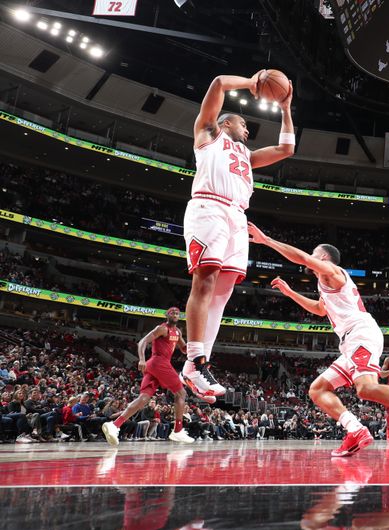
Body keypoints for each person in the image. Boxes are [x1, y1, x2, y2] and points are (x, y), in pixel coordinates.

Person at [248, 223, 389, 456]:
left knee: (366, 388)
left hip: (360, 333)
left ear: (323, 257)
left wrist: (267, 240)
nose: (311, 259)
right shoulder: (325, 283)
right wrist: (290, 293)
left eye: (314, 255)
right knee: (318, 389)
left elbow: (302, 258)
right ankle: (355, 430)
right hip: (350, 341)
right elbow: (321, 309)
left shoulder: (333, 272)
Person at [180, 71, 296, 399]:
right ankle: (194, 361)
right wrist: (253, 82)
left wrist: (286, 108)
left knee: (224, 289)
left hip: (237, 217)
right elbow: (216, 83)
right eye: (243, 124)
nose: (248, 130)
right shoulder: (208, 134)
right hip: (209, 209)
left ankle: (198, 366)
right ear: (227, 124)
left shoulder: (247, 155)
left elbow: (287, 148)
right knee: (205, 281)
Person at [102, 307, 194, 445]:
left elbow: (183, 349)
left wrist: (196, 348)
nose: (175, 315)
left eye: (177, 313)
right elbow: (143, 341)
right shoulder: (162, 328)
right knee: (181, 393)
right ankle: (178, 430)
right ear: (166, 315)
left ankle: (114, 425)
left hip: (156, 366)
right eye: (172, 313)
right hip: (158, 362)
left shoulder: (178, 332)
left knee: (144, 398)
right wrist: (141, 359)